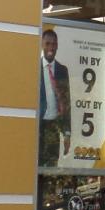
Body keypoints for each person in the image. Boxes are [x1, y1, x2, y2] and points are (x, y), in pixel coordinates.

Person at [40, 27, 72, 167]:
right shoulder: (34, 68)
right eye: (47, 44)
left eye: (53, 44)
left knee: (51, 169)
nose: (50, 48)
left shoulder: (62, 70)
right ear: (42, 44)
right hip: (37, 126)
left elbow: (66, 102)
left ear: (57, 46)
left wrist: (67, 133)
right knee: (32, 170)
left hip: (53, 127)